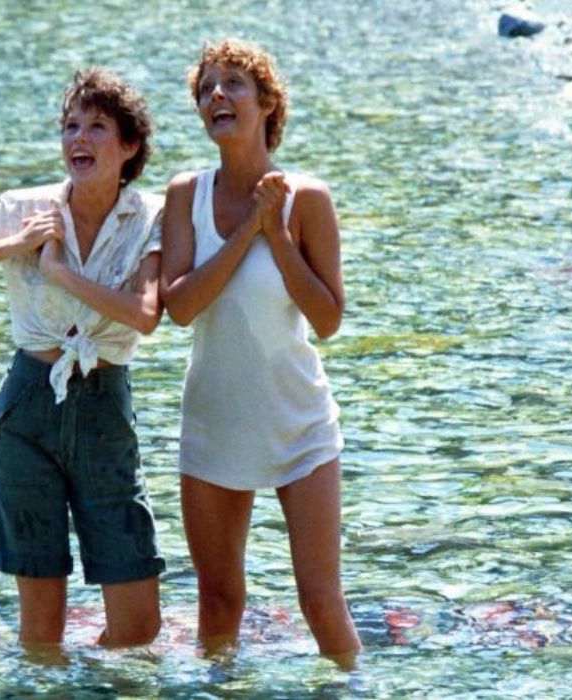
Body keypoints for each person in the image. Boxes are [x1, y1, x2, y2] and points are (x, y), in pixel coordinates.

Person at [0, 68, 166, 651]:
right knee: (41, 631)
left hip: (104, 408)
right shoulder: (26, 207)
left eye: (97, 127)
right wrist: (15, 245)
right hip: (27, 407)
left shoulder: (154, 214)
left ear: (129, 146)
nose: (79, 138)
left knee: (138, 624)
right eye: (71, 126)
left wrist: (58, 272)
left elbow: (146, 314)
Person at [158, 38, 361, 667]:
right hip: (215, 422)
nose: (216, 95)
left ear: (267, 102)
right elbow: (181, 306)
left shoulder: (309, 199)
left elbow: (327, 319)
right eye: (205, 88)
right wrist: (249, 228)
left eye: (232, 84)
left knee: (320, 600)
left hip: (299, 423)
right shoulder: (184, 194)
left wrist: (278, 233)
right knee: (218, 603)